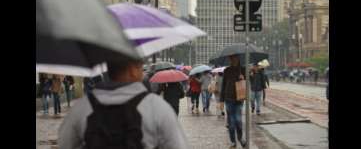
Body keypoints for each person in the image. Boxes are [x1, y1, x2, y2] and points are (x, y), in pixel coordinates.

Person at [58, 58, 190, 149]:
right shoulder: (156, 107)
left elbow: (65, 143)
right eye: (139, 68)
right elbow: (177, 145)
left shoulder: (82, 107)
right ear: (132, 70)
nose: (142, 73)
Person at [220, 55, 246, 149]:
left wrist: (244, 78)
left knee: (238, 120)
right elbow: (223, 85)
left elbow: (248, 83)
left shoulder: (243, 69)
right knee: (231, 123)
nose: (232, 60)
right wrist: (221, 100)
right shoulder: (227, 70)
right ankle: (232, 142)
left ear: (238, 58)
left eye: (234, 58)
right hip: (228, 98)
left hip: (239, 99)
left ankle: (240, 137)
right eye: (231, 58)